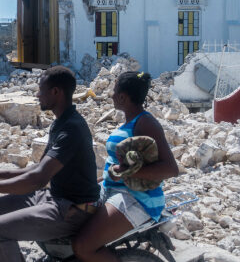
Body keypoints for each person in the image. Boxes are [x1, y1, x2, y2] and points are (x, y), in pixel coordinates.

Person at [0, 66, 100, 262]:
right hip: (56, 197)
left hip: (73, 209)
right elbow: (39, 168)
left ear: (55, 92)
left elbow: (37, 180)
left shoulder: (71, 128)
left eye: (41, 89)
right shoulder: (61, 122)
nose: (37, 94)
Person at [72, 71, 179, 262]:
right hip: (113, 190)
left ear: (122, 96)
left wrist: (127, 173)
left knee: (82, 247)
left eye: (114, 91)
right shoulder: (130, 122)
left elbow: (171, 169)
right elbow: (118, 164)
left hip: (136, 198)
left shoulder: (145, 122)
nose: (111, 95)